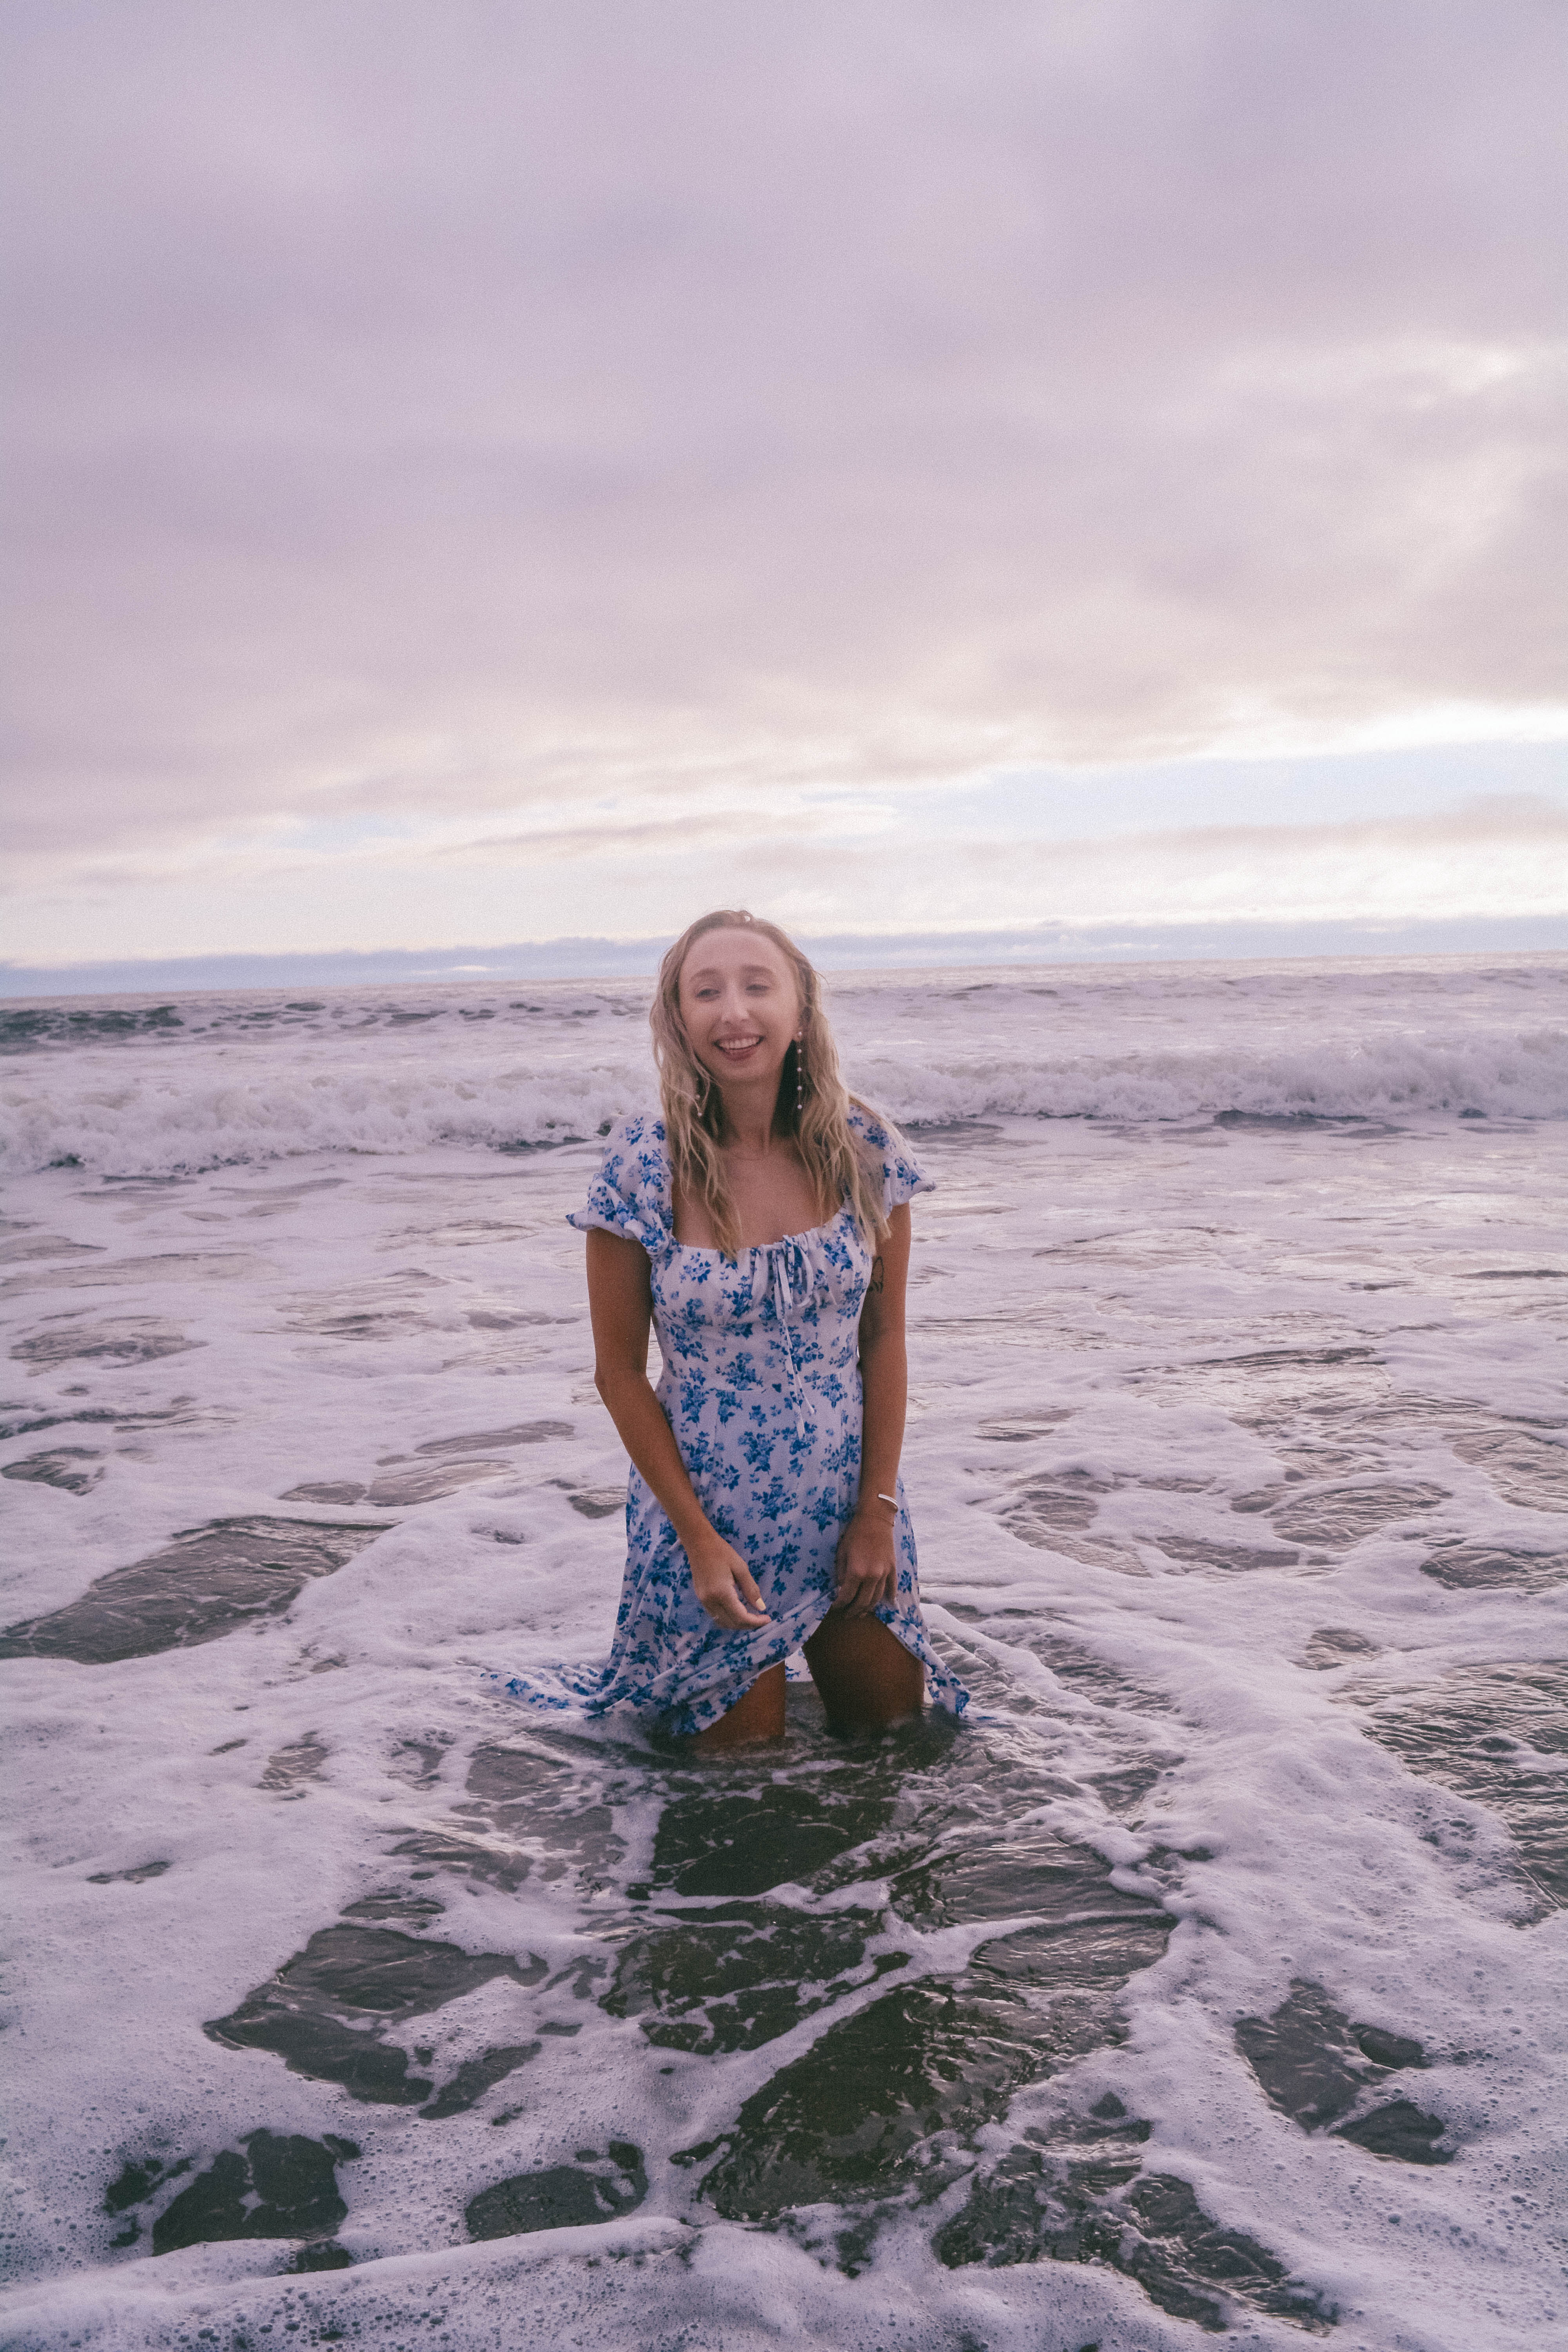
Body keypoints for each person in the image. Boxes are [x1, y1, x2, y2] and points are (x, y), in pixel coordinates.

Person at [503, 907, 967, 1749]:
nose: (734, 1012)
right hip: (711, 1526)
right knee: (738, 1788)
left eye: (758, 987)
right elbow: (618, 1373)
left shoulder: (862, 1148)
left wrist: (877, 1511)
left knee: (893, 1742)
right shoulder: (644, 1167)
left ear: (799, 1009)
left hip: (846, 1511)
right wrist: (698, 1542)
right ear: (677, 1019)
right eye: (705, 991)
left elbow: (883, 1341)